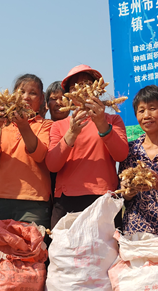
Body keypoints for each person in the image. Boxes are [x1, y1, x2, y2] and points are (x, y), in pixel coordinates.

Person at [45, 64, 129, 228]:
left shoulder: (113, 120)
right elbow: (52, 165)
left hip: (103, 198)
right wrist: (71, 133)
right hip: (67, 201)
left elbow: (121, 155)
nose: (82, 89)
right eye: (75, 85)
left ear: (97, 88)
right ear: (70, 94)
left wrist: (101, 124)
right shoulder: (59, 126)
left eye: (87, 83)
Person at [0, 74, 53, 228]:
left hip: (34, 202)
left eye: (33, 93)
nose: (26, 97)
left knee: (31, 249)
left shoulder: (47, 125)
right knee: (0, 249)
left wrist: (23, 126)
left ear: (42, 99)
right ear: (13, 96)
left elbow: (40, 155)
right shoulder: (2, 123)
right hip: (0, 198)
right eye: (21, 92)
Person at [118, 85, 158, 236]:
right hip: (136, 231)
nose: (146, 115)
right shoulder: (130, 150)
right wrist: (128, 192)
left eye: (152, 108)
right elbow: (122, 192)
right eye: (141, 111)